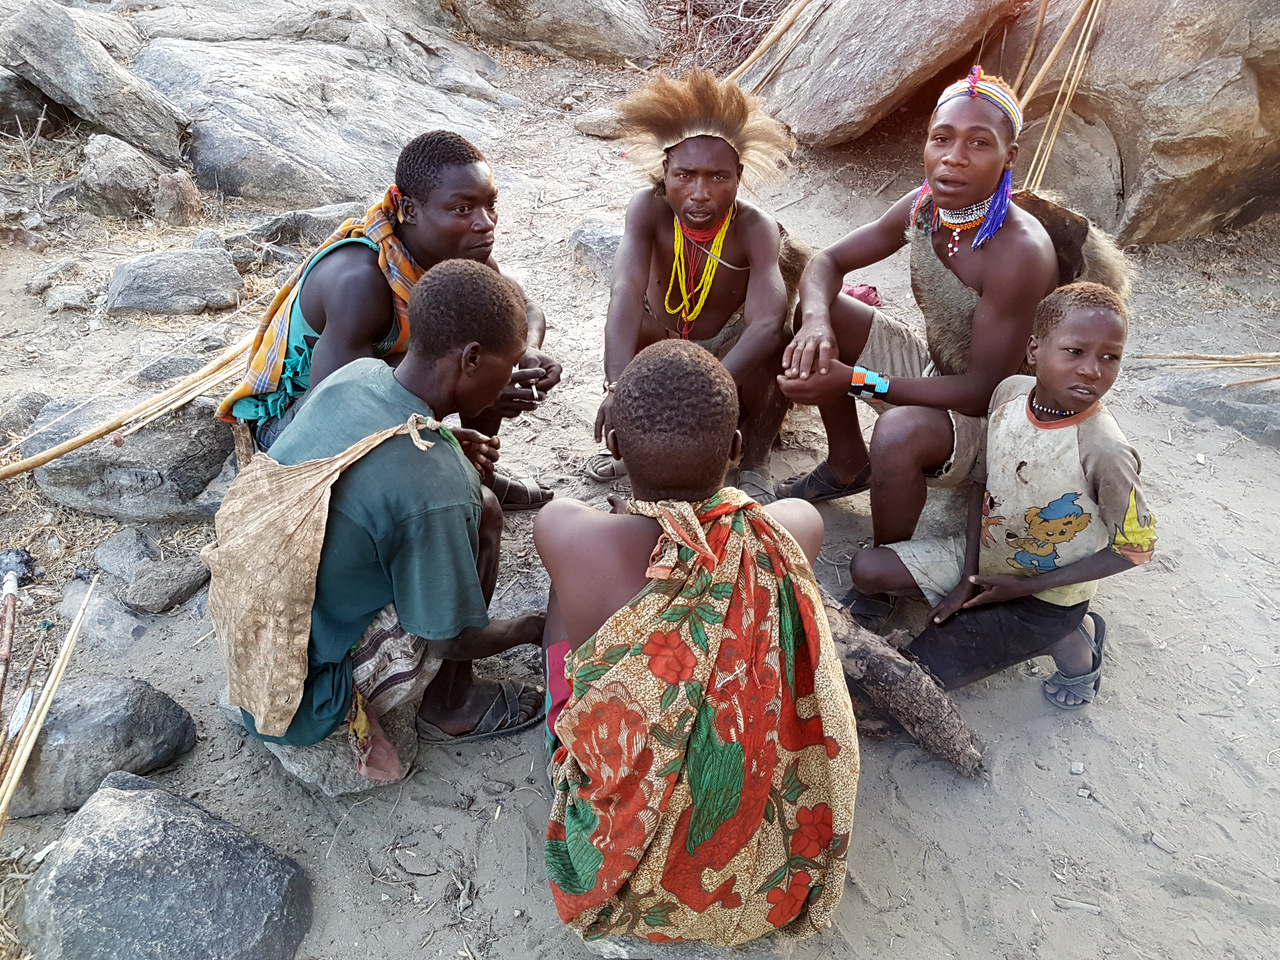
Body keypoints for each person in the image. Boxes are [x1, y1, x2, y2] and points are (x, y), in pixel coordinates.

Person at [535, 341, 859, 945]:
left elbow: (571, 523)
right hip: (751, 848)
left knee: (565, 598)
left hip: (623, 829)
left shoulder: (563, 530)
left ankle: (570, 724)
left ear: (613, 446)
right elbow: (777, 521)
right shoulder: (793, 527)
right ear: (736, 449)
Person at [227, 260, 546, 775]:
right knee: (477, 512)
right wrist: (534, 626)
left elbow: (363, 448)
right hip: (300, 696)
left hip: (252, 629)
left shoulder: (360, 374)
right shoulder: (435, 484)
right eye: (506, 366)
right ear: (470, 359)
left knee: (467, 508)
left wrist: (441, 438)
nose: (509, 379)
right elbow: (450, 637)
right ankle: (452, 704)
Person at [775, 67, 1063, 626]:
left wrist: (853, 380)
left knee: (900, 430)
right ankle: (845, 464)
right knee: (827, 309)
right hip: (939, 368)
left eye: (979, 143)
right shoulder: (925, 205)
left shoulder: (1019, 252)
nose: (954, 157)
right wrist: (814, 324)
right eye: (942, 138)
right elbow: (826, 263)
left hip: (997, 418)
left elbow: (982, 391)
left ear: (1010, 157)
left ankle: (887, 571)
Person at [845, 283, 1157, 709]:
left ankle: (1070, 638)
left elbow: (1136, 549)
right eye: (1074, 352)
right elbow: (983, 482)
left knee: (911, 683)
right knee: (866, 568)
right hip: (988, 564)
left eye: (1110, 357)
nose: (1092, 370)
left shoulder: (1106, 452)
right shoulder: (1009, 394)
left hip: (1044, 599)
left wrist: (1024, 587)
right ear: (1034, 351)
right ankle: (1004, 618)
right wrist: (968, 577)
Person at [217, 129, 560, 509]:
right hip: (295, 428)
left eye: (490, 205)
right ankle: (453, 478)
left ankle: (480, 475)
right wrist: (440, 440)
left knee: (487, 352)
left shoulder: (466, 253)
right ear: (410, 209)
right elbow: (338, 409)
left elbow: (523, 309)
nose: (485, 223)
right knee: (468, 365)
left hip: (373, 399)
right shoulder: (359, 280)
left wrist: (525, 352)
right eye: (463, 209)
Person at [590, 71, 808, 503]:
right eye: (686, 175)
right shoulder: (648, 210)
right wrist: (619, 390)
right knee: (630, 326)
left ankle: (755, 459)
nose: (700, 193)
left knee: (780, 343)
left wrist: (706, 391)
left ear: (739, 175)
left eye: (718, 177)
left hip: (730, 350)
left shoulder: (755, 227)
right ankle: (633, 437)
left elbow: (766, 323)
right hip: (664, 339)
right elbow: (625, 294)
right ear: (665, 169)